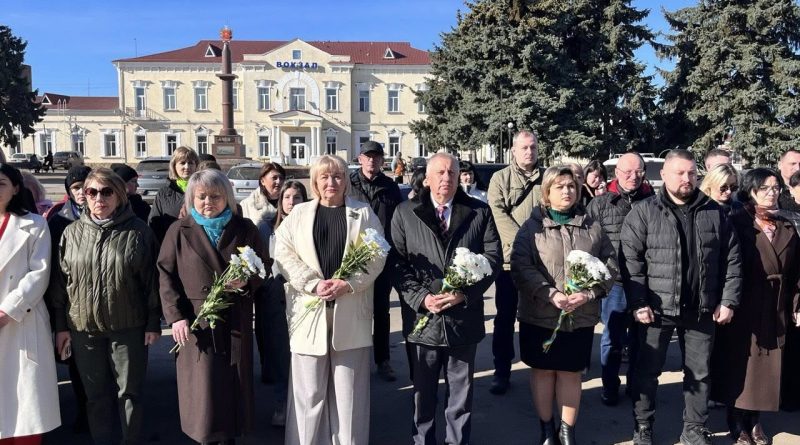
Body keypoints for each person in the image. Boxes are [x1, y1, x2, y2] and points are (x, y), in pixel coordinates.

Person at [620, 149, 742, 445]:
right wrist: (638, 303)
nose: (687, 178)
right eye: (680, 173)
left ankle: (694, 429)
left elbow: (732, 259)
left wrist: (728, 300)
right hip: (656, 309)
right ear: (663, 175)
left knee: (699, 375)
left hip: (701, 309)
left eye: (691, 173)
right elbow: (631, 262)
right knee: (647, 373)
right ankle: (643, 425)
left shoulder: (714, 212)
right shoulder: (644, 212)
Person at [392, 153, 501, 445]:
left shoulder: (479, 212)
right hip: (422, 321)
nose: (446, 178)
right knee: (423, 397)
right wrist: (422, 298)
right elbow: (397, 264)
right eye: (439, 172)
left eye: (452, 172)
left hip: (462, 320)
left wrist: (464, 294)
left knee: (460, 397)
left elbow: (492, 259)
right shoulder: (405, 213)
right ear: (427, 178)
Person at [276, 154, 386, 445]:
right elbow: (283, 254)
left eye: (337, 176)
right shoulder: (298, 214)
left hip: (350, 312)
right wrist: (312, 284)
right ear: (314, 182)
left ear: (345, 181)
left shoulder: (362, 213)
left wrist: (348, 284)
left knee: (348, 395)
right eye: (324, 177)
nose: (331, 182)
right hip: (308, 313)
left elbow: (377, 255)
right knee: (308, 392)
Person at [50, 168, 161, 445]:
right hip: (84, 329)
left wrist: (152, 323)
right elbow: (61, 285)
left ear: (120, 195)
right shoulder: (71, 234)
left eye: (107, 191)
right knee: (95, 395)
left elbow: (152, 282)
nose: (99, 198)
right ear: (83, 197)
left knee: (129, 394)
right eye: (92, 192)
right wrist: (61, 328)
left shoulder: (139, 232)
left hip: (128, 328)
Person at [158, 168, 269, 445]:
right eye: (202, 196)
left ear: (228, 198)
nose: (208, 202)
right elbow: (165, 274)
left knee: (231, 389)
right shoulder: (179, 230)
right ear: (191, 199)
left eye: (216, 196)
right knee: (203, 396)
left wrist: (245, 282)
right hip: (197, 323)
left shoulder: (245, 229)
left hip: (233, 318)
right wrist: (176, 317)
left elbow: (263, 266)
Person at [511, 165, 617, 445]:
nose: (567, 191)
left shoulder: (591, 226)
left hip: (579, 316)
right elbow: (521, 266)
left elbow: (610, 264)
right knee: (544, 371)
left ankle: (567, 431)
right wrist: (549, 294)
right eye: (559, 186)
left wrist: (590, 293)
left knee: (571, 373)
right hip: (540, 314)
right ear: (547, 193)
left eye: (571, 186)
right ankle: (547, 429)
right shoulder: (532, 227)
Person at [710, 168, 800, 445]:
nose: (772, 194)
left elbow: (797, 270)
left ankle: (756, 420)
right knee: (742, 363)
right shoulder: (737, 221)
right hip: (744, 302)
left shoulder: (787, 224)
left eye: (776, 188)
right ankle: (737, 421)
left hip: (776, 303)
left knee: (768, 365)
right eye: (765, 188)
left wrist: (797, 303)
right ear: (750, 191)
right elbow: (725, 264)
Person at [585, 152, 654, 407]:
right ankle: (609, 386)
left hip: (644, 282)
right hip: (614, 284)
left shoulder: (653, 201)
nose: (633, 177)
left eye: (638, 172)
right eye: (627, 172)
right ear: (616, 173)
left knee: (640, 340)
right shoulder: (601, 204)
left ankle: (634, 385)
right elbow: (590, 244)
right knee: (612, 339)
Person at [0, 164, 60, 445]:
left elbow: (39, 273)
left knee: (24, 404)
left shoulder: (35, 224)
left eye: (1, 183)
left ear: (15, 188)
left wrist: (7, 310)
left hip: (21, 322)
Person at [487, 129, 543, 395]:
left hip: (542, 261)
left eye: (533, 147)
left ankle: (540, 369)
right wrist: (525, 243)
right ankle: (502, 371)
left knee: (537, 318)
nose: (529, 152)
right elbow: (497, 213)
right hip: (509, 263)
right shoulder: (500, 178)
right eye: (524, 148)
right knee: (505, 318)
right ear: (513, 150)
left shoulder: (548, 178)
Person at [348, 141, 403, 382]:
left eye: (376, 157)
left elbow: (398, 221)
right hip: (353, 258)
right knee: (354, 310)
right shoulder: (348, 184)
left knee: (381, 310)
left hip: (382, 258)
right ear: (360, 158)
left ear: (382, 160)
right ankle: (354, 361)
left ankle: (383, 360)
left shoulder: (390, 187)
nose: (372, 161)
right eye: (368, 156)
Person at [43, 165, 91, 432]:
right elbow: (51, 267)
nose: (83, 193)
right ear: (69, 192)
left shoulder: (109, 211)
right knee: (76, 364)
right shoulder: (57, 220)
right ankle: (83, 411)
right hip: (71, 306)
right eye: (76, 188)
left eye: (86, 186)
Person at [259, 180, 307, 427]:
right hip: (276, 297)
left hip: (304, 298)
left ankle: (304, 407)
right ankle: (282, 403)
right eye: (287, 197)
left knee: (303, 354)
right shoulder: (267, 227)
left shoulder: (311, 225)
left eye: (296, 197)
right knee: (280, 352)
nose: (291, 202)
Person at [240, 162, 286, 390]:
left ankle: (280, 369)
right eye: (273, 178)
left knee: (280, 326)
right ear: (262, 180)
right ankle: (268, 366)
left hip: (284, 274)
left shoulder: (289, 201)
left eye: (280, 178)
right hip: (260, 273)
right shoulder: (248, 205)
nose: (277, 182)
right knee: (264, 324)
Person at [148, 146, 199, 242]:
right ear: (174, 166)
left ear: (196, 166)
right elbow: (154, 223)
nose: (187, 167)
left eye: (191, 163)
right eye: (182, 163)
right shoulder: (164, 193)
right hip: (170, 244)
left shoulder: (203, 190)